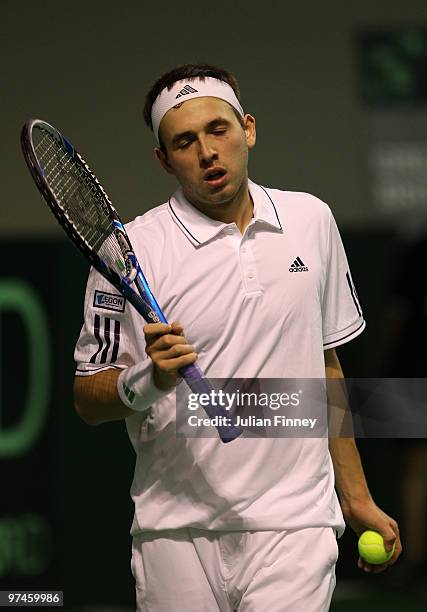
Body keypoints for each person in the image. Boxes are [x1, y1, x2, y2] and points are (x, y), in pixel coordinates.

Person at [73, 64, 402, 611]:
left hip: (295, 524)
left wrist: (357, 497)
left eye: (218, 130)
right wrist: (149, 380)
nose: (206, 152)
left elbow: (327, 368)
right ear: (163, 159)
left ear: (247, 128)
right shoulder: (126, 253)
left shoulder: (312, 221)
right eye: (185, 141)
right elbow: (89, 397)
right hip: (174, 532)